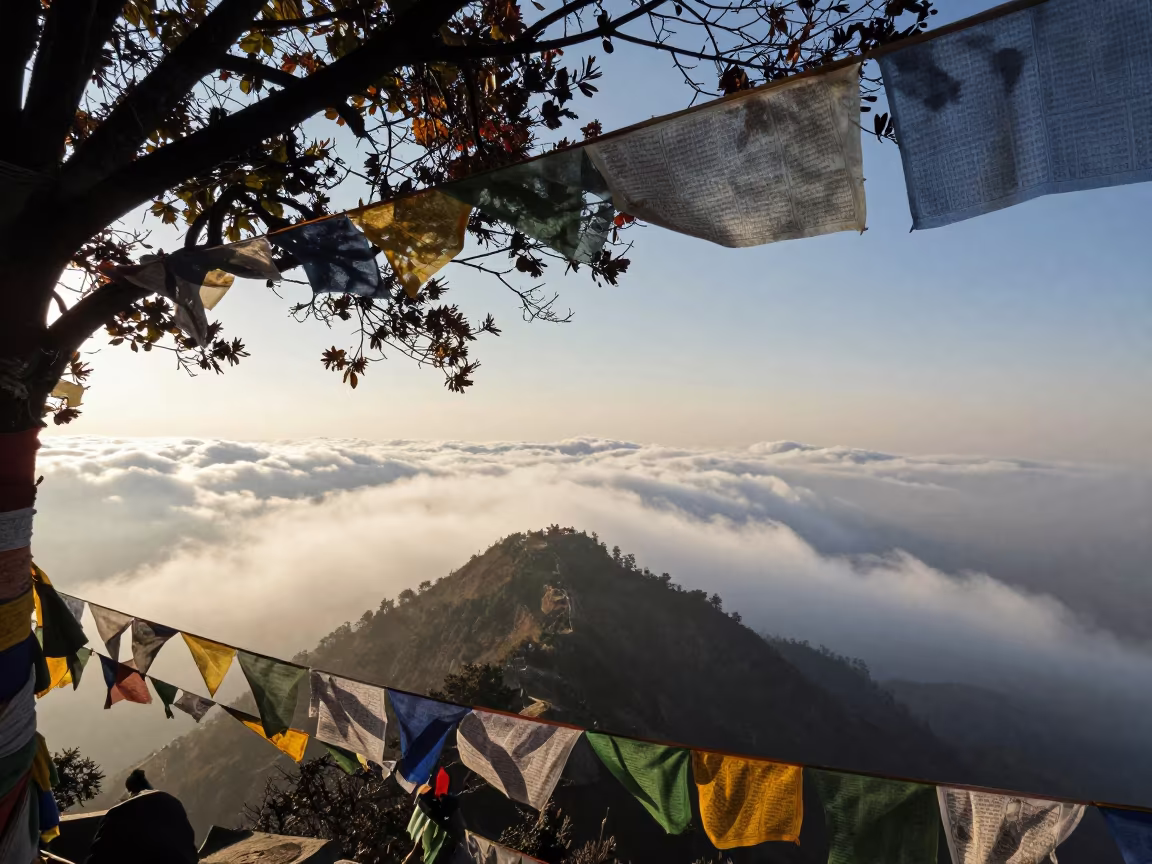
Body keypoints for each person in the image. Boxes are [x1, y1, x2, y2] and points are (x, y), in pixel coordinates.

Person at [84, 769, 198, 864]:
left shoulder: (119, 813)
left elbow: (99, 855)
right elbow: (190, 845)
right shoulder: (172, 802)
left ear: (129, 791)